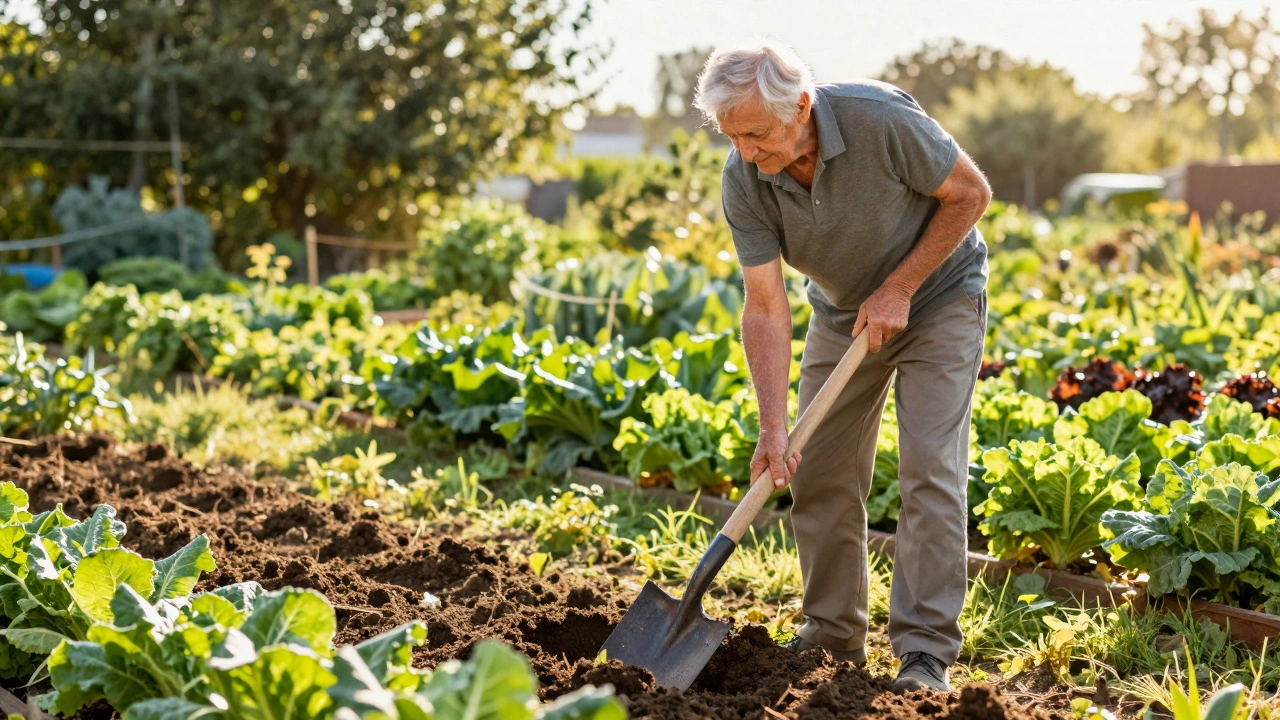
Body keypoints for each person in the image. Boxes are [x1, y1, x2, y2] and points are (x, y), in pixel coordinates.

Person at [693, 40, 991, 693]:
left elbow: (970, 193)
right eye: (731, 136)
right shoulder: (745, 178)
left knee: (928, 471)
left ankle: (924, 652)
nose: (745, 151)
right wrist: (773, 427)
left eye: (756, 134)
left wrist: (902, 286)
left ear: (800, 106)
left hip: (939, 299)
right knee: (818, 470)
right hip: (839, 316)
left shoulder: (878, 121)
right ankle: (831, 634)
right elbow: (765, 305)